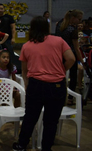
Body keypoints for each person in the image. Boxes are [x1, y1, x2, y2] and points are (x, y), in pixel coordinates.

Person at [12, 16, 75, 151]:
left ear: (32, 28)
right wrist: (60, 71)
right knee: (51, 121)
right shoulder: (59, 41)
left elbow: (24, 70)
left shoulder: (27, 46)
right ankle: (46, 147)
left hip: (36, 84)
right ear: (47, 28)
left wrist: (27, 85)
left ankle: (22, 144)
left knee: (30, 117)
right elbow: (71, 58)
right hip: (57, 85)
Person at [55, 9, 86, 105]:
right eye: (79, 19)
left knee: (59, 75)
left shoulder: (60, 24)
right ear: (73, 18)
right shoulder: (73, 30)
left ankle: (58, 94)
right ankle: (70, 98)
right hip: (70, 55)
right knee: (73, 77)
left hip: (58, 54)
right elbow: (77, 49)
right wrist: (82, 62)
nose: (80, 22)